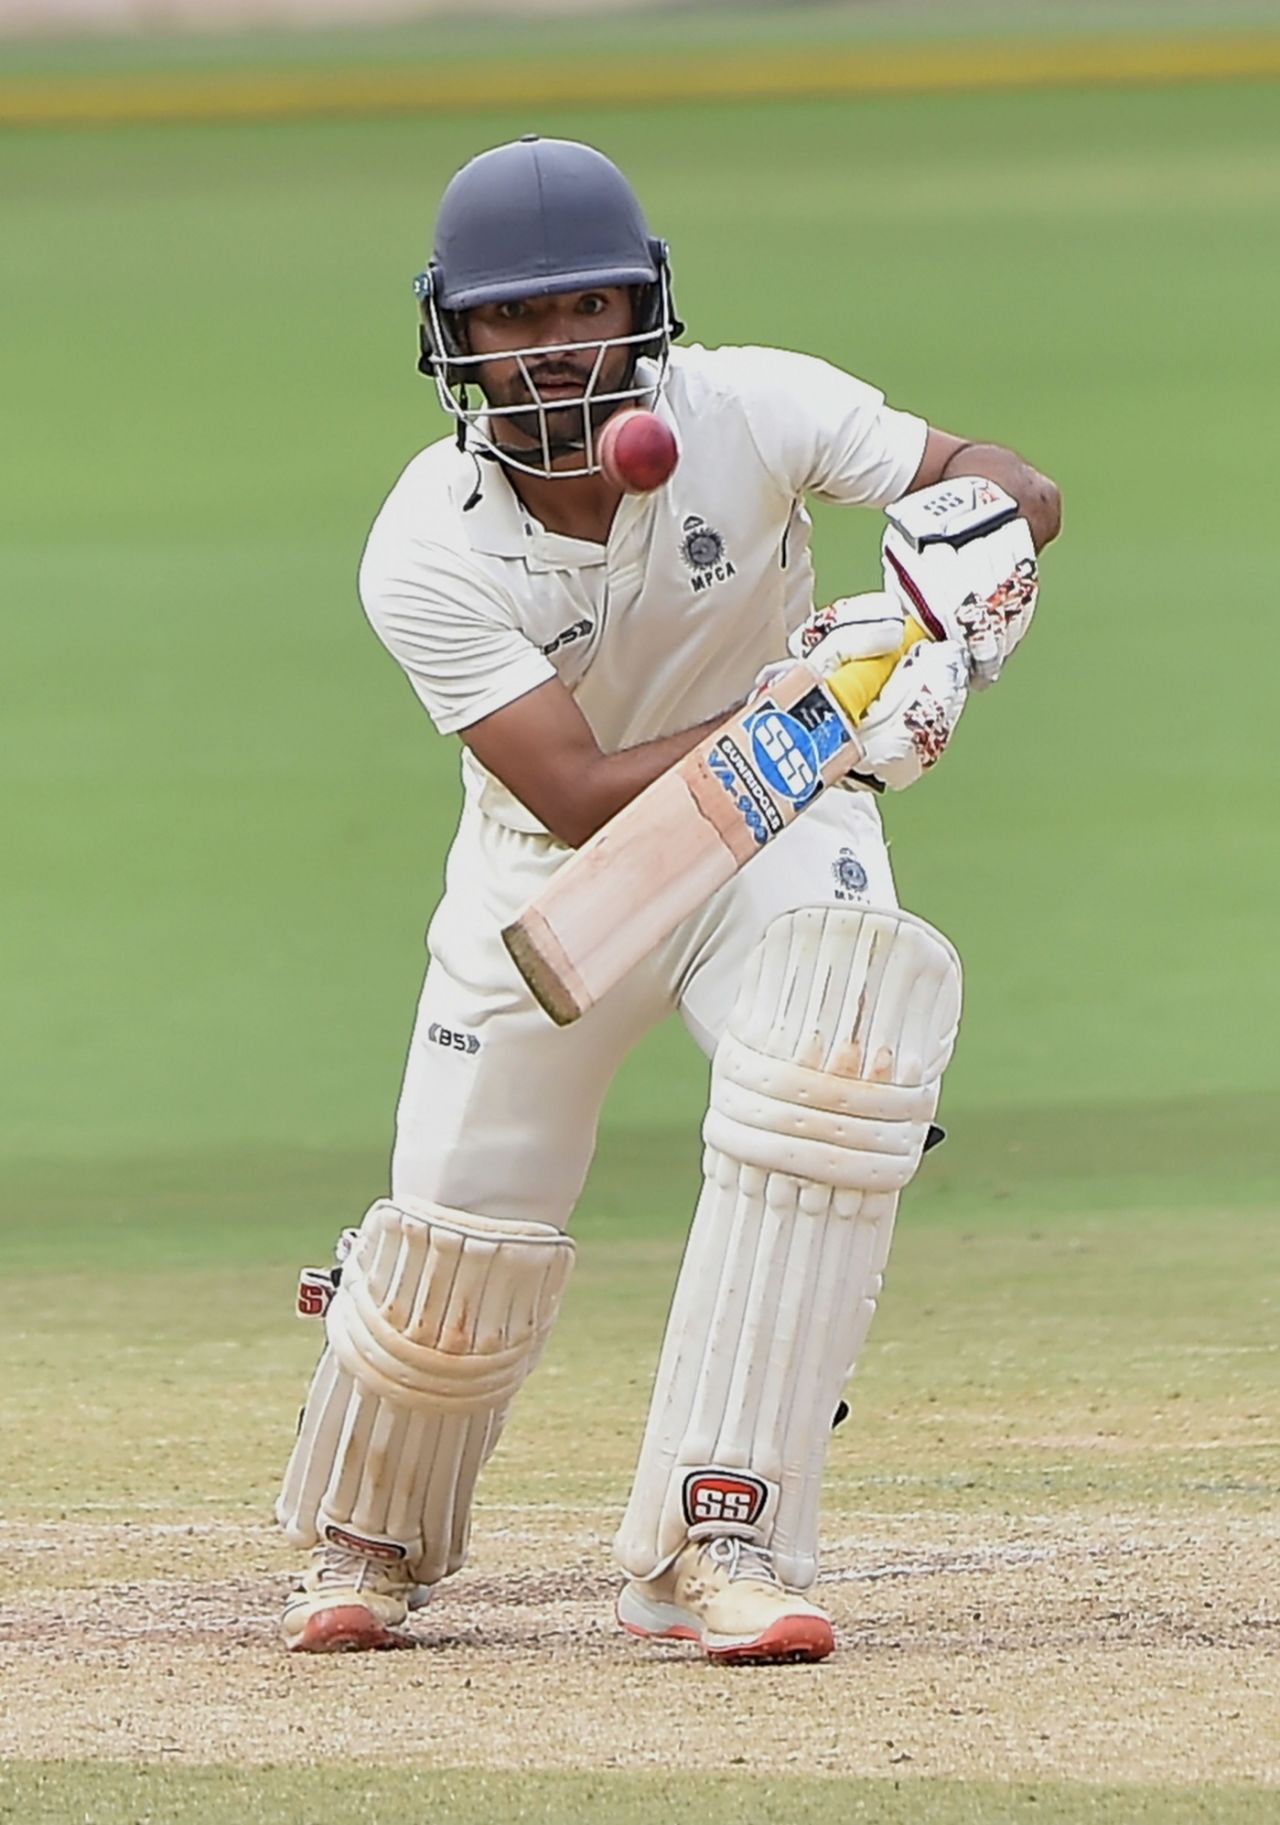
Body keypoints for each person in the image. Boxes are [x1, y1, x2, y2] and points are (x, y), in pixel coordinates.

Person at [275, 134, 1061, 1662]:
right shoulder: (424, 545)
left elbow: (1009, 483)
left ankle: (719, 1532)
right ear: (454, 336)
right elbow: (575, 791)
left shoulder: (752, 407)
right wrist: (826, 703)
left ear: (644, 307)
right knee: (459, 1227)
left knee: (839, 1066)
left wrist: (957, 591)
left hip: (776, 842)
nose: (556, 346)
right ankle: (370, 1523)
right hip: (553, 871)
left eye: (587, 306)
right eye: (515, 316)